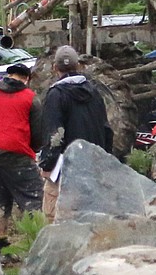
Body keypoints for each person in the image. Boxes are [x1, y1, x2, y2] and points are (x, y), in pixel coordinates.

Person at [37, 45, 111, 222]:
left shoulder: (56, 94)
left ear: (55, 68)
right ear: (79, 66)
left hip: (65, 169)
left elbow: (55, 135)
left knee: (55, 217)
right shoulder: (94, 92)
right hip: (93, 164)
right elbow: (107, 129)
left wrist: (46, 164)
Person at [0, 64, 43, 254]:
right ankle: (37, 246)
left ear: (8, 75)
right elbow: (37, 133)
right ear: (27, 78)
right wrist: (32, 150)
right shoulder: (30, 98)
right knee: (32, 198)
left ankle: (2, 245)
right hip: (17, 154)